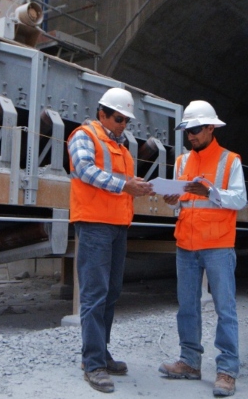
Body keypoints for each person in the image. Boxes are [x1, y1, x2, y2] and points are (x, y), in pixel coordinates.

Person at [68, 87, 154, 393]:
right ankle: (93, 363)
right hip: (93, 225)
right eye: (119, 118)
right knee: (94, 293)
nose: (123, 124)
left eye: (126, 120)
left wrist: (141, 188)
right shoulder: (84, 135)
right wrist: (124, 185)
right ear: (102, 113)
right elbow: (84, 170)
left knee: (111, 291)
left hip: (117, 226)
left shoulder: (122, 148)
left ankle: (100, 351)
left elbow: (123, 185)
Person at [158, 100, 246, 397]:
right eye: (187, 131)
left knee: (225, 309)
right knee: (187, 306)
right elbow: (182, 200)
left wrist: (210, 191)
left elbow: (239, 200)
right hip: (186, 243)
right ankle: (190, 362)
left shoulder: (230, 161)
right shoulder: (182, 162)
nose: (191, 136)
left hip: (218, 245)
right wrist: (173, 199)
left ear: (210, 127)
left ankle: (227, 370)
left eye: (195, 130)